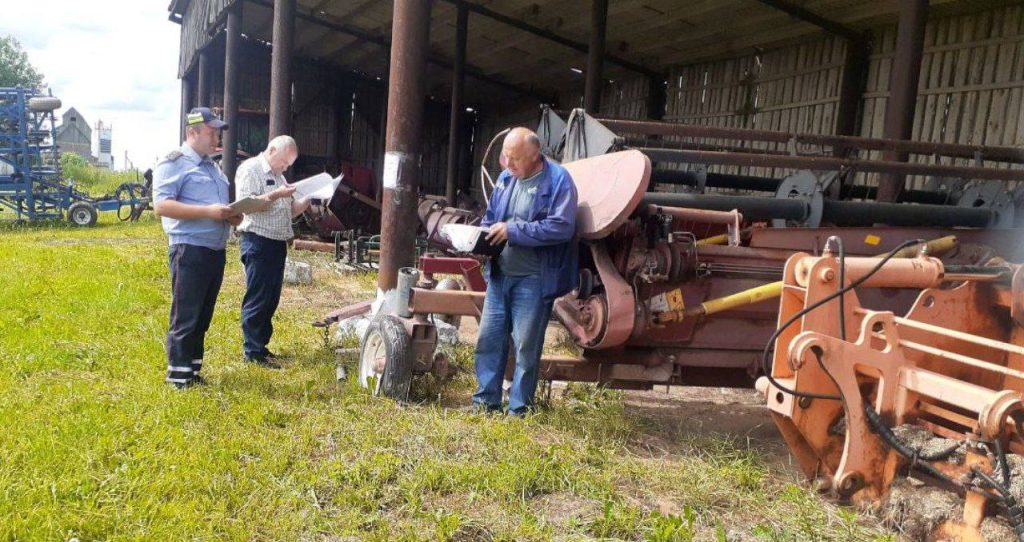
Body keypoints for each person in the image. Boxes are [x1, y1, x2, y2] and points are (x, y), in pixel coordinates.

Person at [472, 127, 579, 416]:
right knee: (488, 341)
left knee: (525, 347)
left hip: (533, 280)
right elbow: (492, 218)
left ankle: (519, 409)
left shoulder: (558, 181)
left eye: (515, 158)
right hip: (499, 275)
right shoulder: (506, 179)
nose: (508, 164)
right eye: (505, 157)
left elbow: (562, 227)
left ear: (535, 156)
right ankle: (485, 402)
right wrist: (478, 237)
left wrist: (513, 230)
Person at [152, 107, 239, 389]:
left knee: (203, 315)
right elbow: (162, 206)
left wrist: (232, 215)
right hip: (188, 249)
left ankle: (192, 370)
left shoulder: (212, 167)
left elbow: (218, 209)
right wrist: (209, 212)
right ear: (193, 132)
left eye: (218, 132)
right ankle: (177, 377)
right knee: (186, 314)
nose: (217, 137)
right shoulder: (174, 163)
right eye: (212, 131)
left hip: (215, 249)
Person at [234, 135, 311, 367]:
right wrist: (278, 194)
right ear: (272, 149)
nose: (286, 167)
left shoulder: (279, 176)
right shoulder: (251, 169)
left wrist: (307, 199)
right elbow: (247, 205)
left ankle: (261, 346)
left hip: (277, 243)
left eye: (289, 164)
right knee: (258, 296)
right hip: (258, 240)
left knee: (271, 298)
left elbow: (287, 211)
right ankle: (252, 351)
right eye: (285, 162)